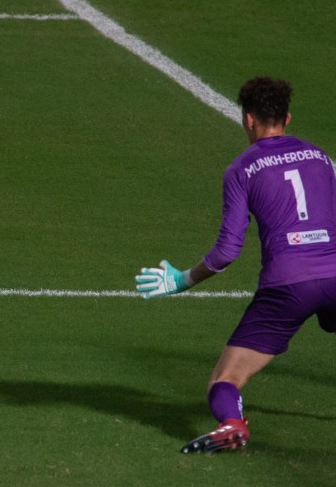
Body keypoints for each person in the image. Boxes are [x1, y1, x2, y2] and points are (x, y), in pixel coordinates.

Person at [135, 76, 336, 453]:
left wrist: (183, 279)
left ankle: (232, 424)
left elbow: (227, 251)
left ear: (247, 120)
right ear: (287, 118)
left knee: (225, 379)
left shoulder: (242, 169)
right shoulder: (321, 157)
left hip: (287, 287)